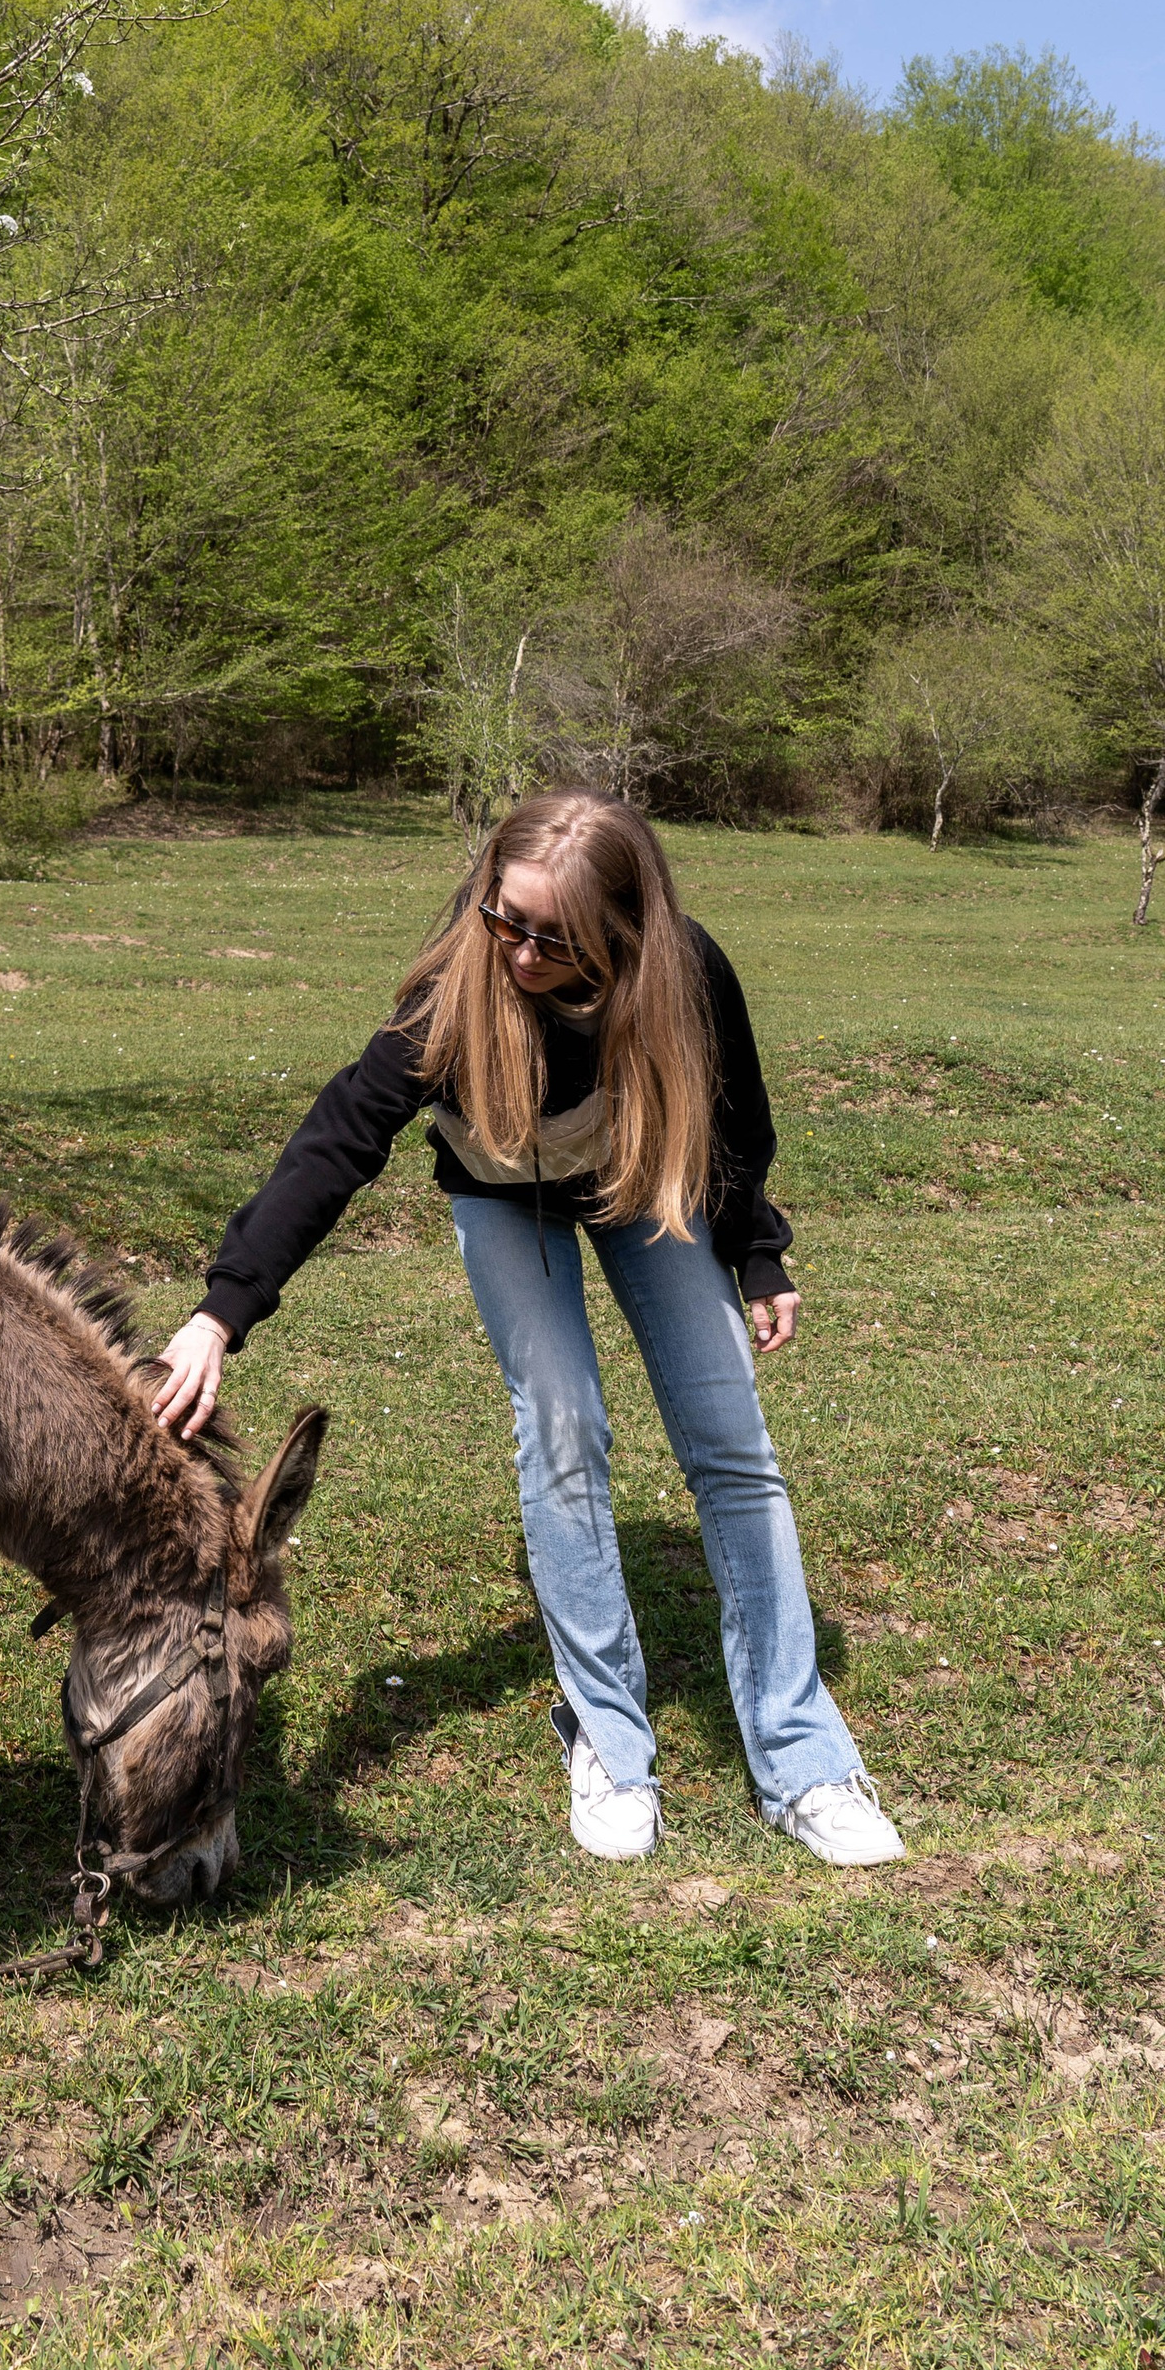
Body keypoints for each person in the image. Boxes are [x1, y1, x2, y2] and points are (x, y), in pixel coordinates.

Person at [151, 791, 902, 1869]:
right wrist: (223, 1310)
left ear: (622, 929)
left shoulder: (684, 972)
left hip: (641, 1180)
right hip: (506, 1196)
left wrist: (756, 1249)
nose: (521, 950)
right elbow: (335, 1143)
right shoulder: (454, 992)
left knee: (733, 1444)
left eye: (555, 934)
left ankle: (804, 1759)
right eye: (506, 918)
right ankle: (608, 1740)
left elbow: (734, 1122)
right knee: (561, 1426)